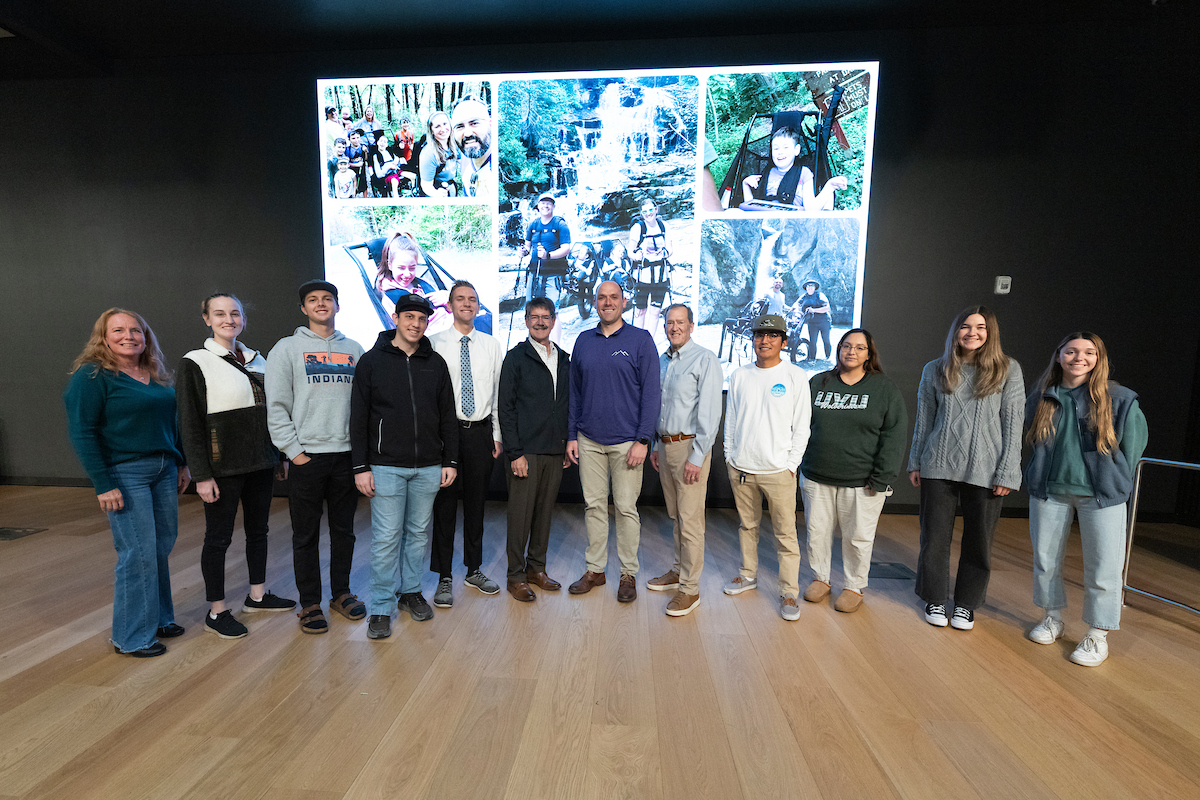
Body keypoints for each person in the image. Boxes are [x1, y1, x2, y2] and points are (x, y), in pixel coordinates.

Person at [64, 309, 191, 657]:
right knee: (137, 553)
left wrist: (181, 462)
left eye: (136, 330)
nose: (129, 336)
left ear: (146, 336)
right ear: (103, 337)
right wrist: (103, 484)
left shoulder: (154, 372)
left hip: (164, 469)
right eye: (118, 330)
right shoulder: (92, 376)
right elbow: (82, 432)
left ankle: (160, 617)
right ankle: (132, 636)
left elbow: (173, 423)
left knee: (160, 546)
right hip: (125, 473)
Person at [1023, 332, 1148, 667]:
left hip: (1101, 496)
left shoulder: (1120, 399)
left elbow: (1133, 448)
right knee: (1046, 559)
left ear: (1099, 358)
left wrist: (1114, 478)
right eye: (1072, 351)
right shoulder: (1042, 397)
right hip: (1049, 491)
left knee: (1104, 566)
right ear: (1059, 355)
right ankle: (1052, 617)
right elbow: (1033, 441)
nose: (1079, 358)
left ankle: (1097, 635)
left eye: (1089, 352)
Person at [177, 294, 296, 640]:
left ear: (243, 318)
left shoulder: (260, 359)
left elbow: (275, 412)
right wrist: (201, 475)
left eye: (234, 313)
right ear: (206, 319)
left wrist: (280, 456)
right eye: (219, 314)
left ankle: (257, 596)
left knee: (259, 532)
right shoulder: (195, 362)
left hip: (261, 463)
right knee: (218, 539)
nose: (228, 319)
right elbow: (190, 423)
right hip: (221, 469)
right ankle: (217, 611)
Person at [908, 306, 1024, 631]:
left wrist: (1008, 472)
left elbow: (1014, 424)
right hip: (937, 465)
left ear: (991, 333)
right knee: (934, 537)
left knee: (979, 540)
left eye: (981, 327)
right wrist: (916, 460)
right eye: (965, 327)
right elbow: (924, 421)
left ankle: (965, 605)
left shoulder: (1008, 370)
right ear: (955, 332)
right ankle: (934, 598)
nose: (973, 333)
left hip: (987, 471)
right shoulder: (935, 368)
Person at [351, 294, 458, 639]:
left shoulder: (435, 363)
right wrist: (360, 467)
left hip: (428, 466)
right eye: (409, 316)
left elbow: (447, 417)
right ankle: (381, 606)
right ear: (395, 318)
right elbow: (358, 418)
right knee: (385, 538)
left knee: (417, 535)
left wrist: (450, 460)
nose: (415, 324)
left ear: (428, 323)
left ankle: (410, 592)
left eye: (422, 319)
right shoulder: (371, 362)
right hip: (385, 466)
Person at [266, 280, 366, 635]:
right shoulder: (287, 349)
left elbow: (364, 406)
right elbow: (276, 407)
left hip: (346, 457)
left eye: (328, 299)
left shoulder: (354, 349)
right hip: (308, 457)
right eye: (313, 300)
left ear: (337, 306)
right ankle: (310, 602)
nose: (321, 304)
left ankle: (341, 593)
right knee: (305, 534)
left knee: (344, 532)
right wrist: (294, 453)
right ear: (303, 309)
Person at [566, 281, 661, 603]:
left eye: (614, 297)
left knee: (625, 508)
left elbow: (651, 394)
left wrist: (643, 440)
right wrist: (571, 436)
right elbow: (574, 394)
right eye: (602, 298)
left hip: (627, 444)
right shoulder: (583, 341)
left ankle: (627, 573)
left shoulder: (640, 340)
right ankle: (595, 569)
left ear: (624, 302)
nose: (608, 302)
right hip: (588, 440)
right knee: (593, 506)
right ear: (595, 303)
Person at [800, 328, 907, 613]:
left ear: (869, 354)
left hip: (862, 481)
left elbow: (894, 434)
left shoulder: (883, 388)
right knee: (816, 532)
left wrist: (883, 476)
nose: (852, 352)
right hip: (816, 475)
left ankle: (853, 586)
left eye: (860, 348)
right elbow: (799, 425)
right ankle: (821, 579)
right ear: (838, 349)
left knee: (858, 537)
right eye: (847, 346)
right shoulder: (818, 382)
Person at [722, 313, 811, 621]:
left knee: (786, 533)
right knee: (748, 526)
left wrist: (791, 465)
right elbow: (731, 418)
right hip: (742, 467)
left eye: (772, 336)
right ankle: (748, 575)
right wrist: (729, 456)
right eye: (760, 335)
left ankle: (789, 592)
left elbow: (802, 426)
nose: (764, 340)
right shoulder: (739, 375)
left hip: (778, 471)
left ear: (783, 342)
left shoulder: (795, 376)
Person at [428, 281, 504, 608]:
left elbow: (498, 394)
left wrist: (497, 435)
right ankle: (444, 575)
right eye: (460, 299)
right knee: (444, 506)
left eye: (473, 299)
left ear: (478, 306)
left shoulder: (491, 345)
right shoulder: (433, 344)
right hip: (446, 435)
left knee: (476, 505)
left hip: (480, 433)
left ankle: (474, 569)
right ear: (449, 305)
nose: (467, 304)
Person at [646, 304, 722, 617]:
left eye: (680, 322)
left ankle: (689, 589)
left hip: (690, 448)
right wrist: (653, 444)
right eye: (669, 322)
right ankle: (678, 570)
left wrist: (698, 456)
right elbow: (657, 405)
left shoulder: (705, 359)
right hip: (664, 447)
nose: (674, 327)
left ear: (691, 326)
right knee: (677, 516)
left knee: (691, 521)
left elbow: (710, 413)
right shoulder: (662, 360)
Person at [498, 296, 570, 601]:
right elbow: (506, 408)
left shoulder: (565, 358)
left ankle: (536, 569)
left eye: (546, 317)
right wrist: (515, 453)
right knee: (520, 516)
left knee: (543, 514)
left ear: (553, 321)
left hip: (554, 451)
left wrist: (565, 444)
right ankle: (515, 575)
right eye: (534, 317)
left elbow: (567, 404)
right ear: (526, 321)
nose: (540, 322)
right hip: (525, 452)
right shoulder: (515, 358)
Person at [741, 127, 847, 210]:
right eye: (776, 148)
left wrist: (830, 186)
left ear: (796, 150)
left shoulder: (804, 173)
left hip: (792, 224)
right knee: (734, 212)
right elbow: (751, 209)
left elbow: (811, 208)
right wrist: (745, 184)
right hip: (766, 221)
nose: (780, 152)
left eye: (785, 147)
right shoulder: (768, 172)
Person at [374, 232, 451, 328]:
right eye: (401, 268)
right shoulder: (390, 298)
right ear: (390, 265)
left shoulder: (423, 284)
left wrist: (446, 299)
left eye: (412, 268)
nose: (407, 274)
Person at [521, 193, 572, 308]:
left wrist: (547, 255)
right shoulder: (533, 224)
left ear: (553, 206)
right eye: (543, 203)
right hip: (534, 272)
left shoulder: (561, 224)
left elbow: (566, 249)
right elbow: (527, 246)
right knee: (531, 308)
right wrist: (523, 251)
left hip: (553, 274)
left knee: (553, 310)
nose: (546, 206)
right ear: (538, 205)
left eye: (549, 203)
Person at [629, 198, 671, 337]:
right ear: (641, 213)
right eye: (645, 211)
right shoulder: (638, 228)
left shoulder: (664, 226)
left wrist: (665, 252)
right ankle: (637, 341)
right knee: (640, 311)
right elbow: (630, 251)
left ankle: (648, 342)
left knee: (655, 312)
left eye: (650, 210)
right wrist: (637, 256)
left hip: (661, 277)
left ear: (656, 209)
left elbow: (670, 249)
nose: (648, 214)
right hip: (642, 277)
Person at [451, 96, 493, 198]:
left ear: (491, 125)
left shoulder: (502, 171)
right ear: (453, 132)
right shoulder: (467, 170)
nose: (468, 133)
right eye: (460, 126)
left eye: (474, 123)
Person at [418, 110, 458, 198]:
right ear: (431, 131)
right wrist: (437, 194)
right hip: (435, 198)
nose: (443, 129)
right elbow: (426, 185)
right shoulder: (428, 154)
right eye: (437, 126)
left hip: (451, 189)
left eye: (445, 124)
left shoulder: (455, 145)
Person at [792, 278, 831, 361]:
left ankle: (827, 358)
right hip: (812, 323)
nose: (810, 287)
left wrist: (814, 310)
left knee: (826, 341)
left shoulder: (820, 295)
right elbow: (796, 304)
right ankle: (812, 359)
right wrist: (795, 310)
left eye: (812, 285)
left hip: (824, 322)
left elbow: (827, 308)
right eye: (808, 286)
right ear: (806, 287)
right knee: (812, 342)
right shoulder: (804, 296)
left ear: (815, 287)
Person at [369, 129, 402, 198]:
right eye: (381, 141)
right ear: (377, 142)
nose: (382, 143)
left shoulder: (389, 152)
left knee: (413, 176)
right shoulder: (376, 156)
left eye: (385, 142)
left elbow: (398, 161)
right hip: (386, 175)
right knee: (394, 181)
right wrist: (388, 167)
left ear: (387, 144)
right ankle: (396, 198)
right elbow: (379, 174)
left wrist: (397, 159)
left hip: (396, 171)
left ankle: (414, 193)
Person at [346, 129, 367, 198]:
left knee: (363, 183)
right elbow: (347, 162)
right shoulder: (347, 149)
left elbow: (366, 159)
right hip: (352, 169)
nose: (356, 140)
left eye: (358, 137)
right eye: (353, 138)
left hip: (362, 170)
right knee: (352, 183)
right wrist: (354, 165)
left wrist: (366, 152)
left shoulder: (363, 147)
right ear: (349, 139)